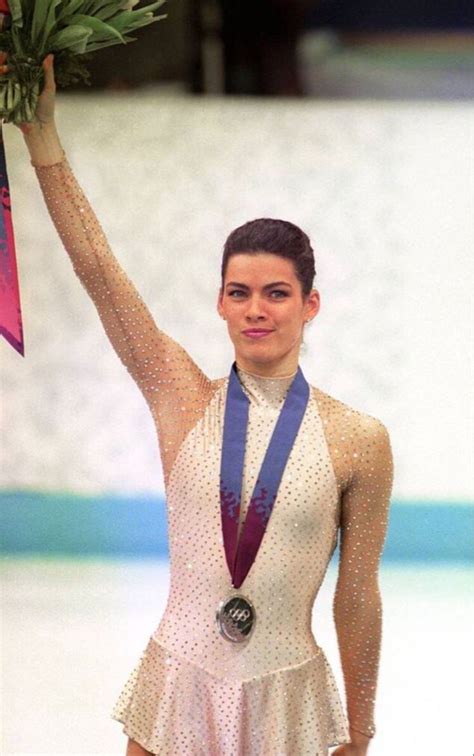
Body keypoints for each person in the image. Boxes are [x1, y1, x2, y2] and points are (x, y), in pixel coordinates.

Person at [3, 51, 394, 756]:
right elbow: (99, 271)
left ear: (310, 305)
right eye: (239, 292)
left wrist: (358, 729)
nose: (256, 310)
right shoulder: (178, 393)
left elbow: (357, 597)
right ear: (219, 302)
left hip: (288, 697)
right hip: (176, 686)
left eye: (276, 293)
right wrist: (43, 136)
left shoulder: (357, 439)